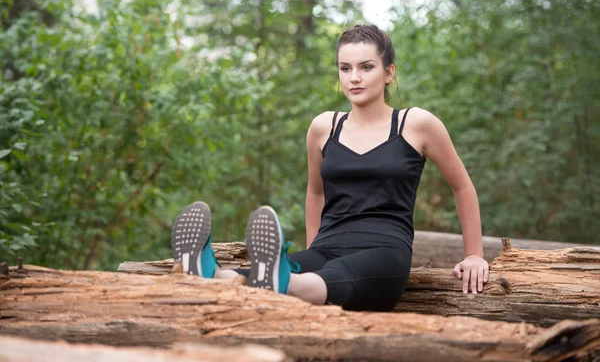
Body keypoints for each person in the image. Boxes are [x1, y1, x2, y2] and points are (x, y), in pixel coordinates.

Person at [170, 24, 489, 312]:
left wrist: (474, 254)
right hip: (328, 246)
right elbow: (315, 191)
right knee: (297, 265)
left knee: (336, 276)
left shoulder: (416, 123)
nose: (354, 77)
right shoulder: (324, 127)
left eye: (366, 67)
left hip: (384, 252)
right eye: (345, 68)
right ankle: (212, 274)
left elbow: (462, 186)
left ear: (388, 72)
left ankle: (277, 283)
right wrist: (315, 248)